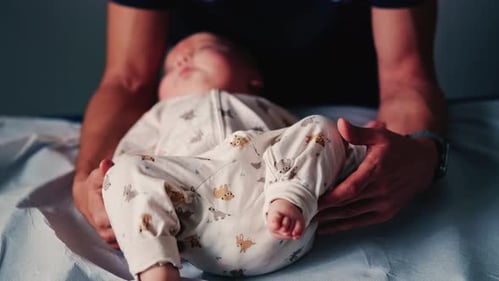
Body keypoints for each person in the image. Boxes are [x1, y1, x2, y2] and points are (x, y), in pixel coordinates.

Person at [72, 0, 448, 249]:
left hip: (340, 110)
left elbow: (406, 80)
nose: (184, 59)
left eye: (197, 52)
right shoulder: (164, 112)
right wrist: (94, 181)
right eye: (175, 63)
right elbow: (127, 80)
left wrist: (421, 152)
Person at [101, 32, 366, 280]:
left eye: (201, 49)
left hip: (269, 197)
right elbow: (130, 165)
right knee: (122, 171)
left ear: (253, 78)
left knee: (321, 126)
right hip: (192, 209)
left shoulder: (269, 109)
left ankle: (291, 197)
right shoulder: (158, 115)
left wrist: (353, 149)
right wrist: (114, 182)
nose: (181, 59)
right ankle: (157, 269)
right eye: (169, 69)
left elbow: (312, 152)